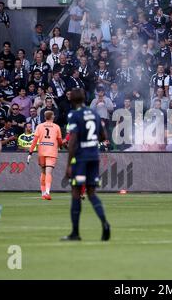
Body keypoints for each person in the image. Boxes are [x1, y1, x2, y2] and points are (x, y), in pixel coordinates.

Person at [62, 88, 110, 241]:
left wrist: (69, 164)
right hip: (94, 156)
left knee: (76, 192)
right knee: (92, 193)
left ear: (72, 100)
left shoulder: (74, 115)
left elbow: (73, 140)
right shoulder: (95, 114)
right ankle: (105, 223)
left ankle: (75, 233)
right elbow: (104, 136)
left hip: (81, 158)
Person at [27, 110, 63, 200]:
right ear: (51, 117)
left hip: (42, 151)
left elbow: (34, 141)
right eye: (53, 115)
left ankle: (43, 193)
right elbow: (59, 141)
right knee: (48, 172)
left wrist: (30, 152)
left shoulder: (39, 126)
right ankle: (47, 192)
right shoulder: (56, 127)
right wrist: (61, 146)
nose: (54, 116)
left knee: (43, 172)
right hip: (51, 151)